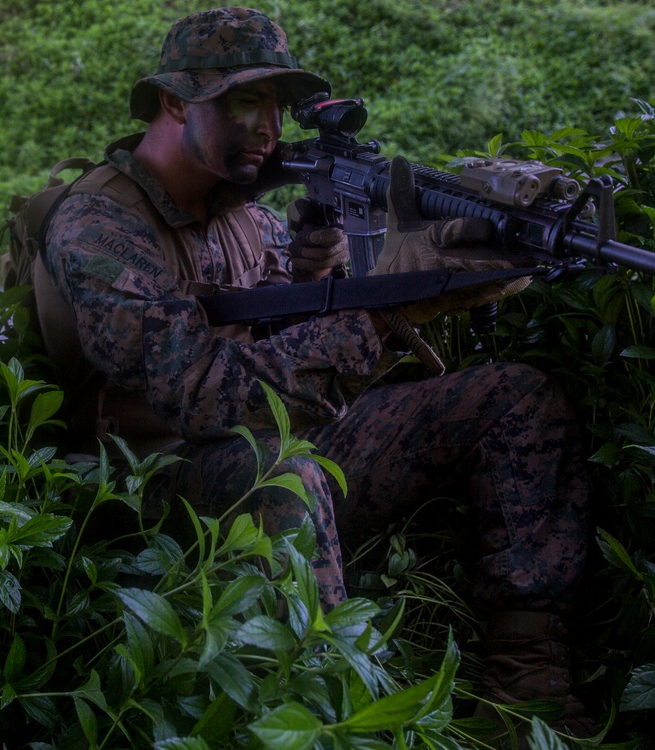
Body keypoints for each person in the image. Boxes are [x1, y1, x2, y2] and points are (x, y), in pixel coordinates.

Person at [34, 6, 593, 741]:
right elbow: (198, 396)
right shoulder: (100, 226)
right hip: (147, 482)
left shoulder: (246, 213)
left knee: (511, 397)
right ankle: (332, 710)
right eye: (243, 100)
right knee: (284, 475)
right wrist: (383, 316)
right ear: (175, 102)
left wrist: (327, 279)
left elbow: (271, 341)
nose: (270, 126)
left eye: (276, 103)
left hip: (267, 442)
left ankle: (526, 691)